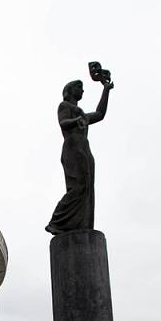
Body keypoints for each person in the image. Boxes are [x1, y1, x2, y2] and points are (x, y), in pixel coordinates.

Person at [46, 77, 113, 234]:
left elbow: (100, 114)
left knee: (87, 188)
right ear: (69, 91)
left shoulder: (82, 114)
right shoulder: (65, 106)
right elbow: (63, 123)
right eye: (79, 87)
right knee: (78, 186)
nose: (82, 90)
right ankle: (57, 221)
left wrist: (106, 90)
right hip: (73, 147)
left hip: (84, 149)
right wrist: (77, 121)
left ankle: (83, 226)